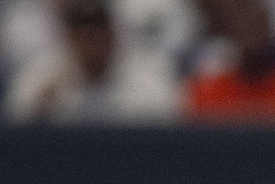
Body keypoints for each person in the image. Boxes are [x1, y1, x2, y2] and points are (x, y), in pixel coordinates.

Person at [5, 0, 177, 120]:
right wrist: (41, 108)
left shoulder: (149, 76)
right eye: (81, 30)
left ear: (112, 33)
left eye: (97, 28)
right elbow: (16, 127)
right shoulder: (40, 75)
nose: (90, 40)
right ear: (69, 36)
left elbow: (164, 125)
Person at [185, 0, 275, 119]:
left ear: (270, 35)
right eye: (246, 31)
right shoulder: (208, 89)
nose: (253, 40)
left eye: (259, 30)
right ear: (234, 35)